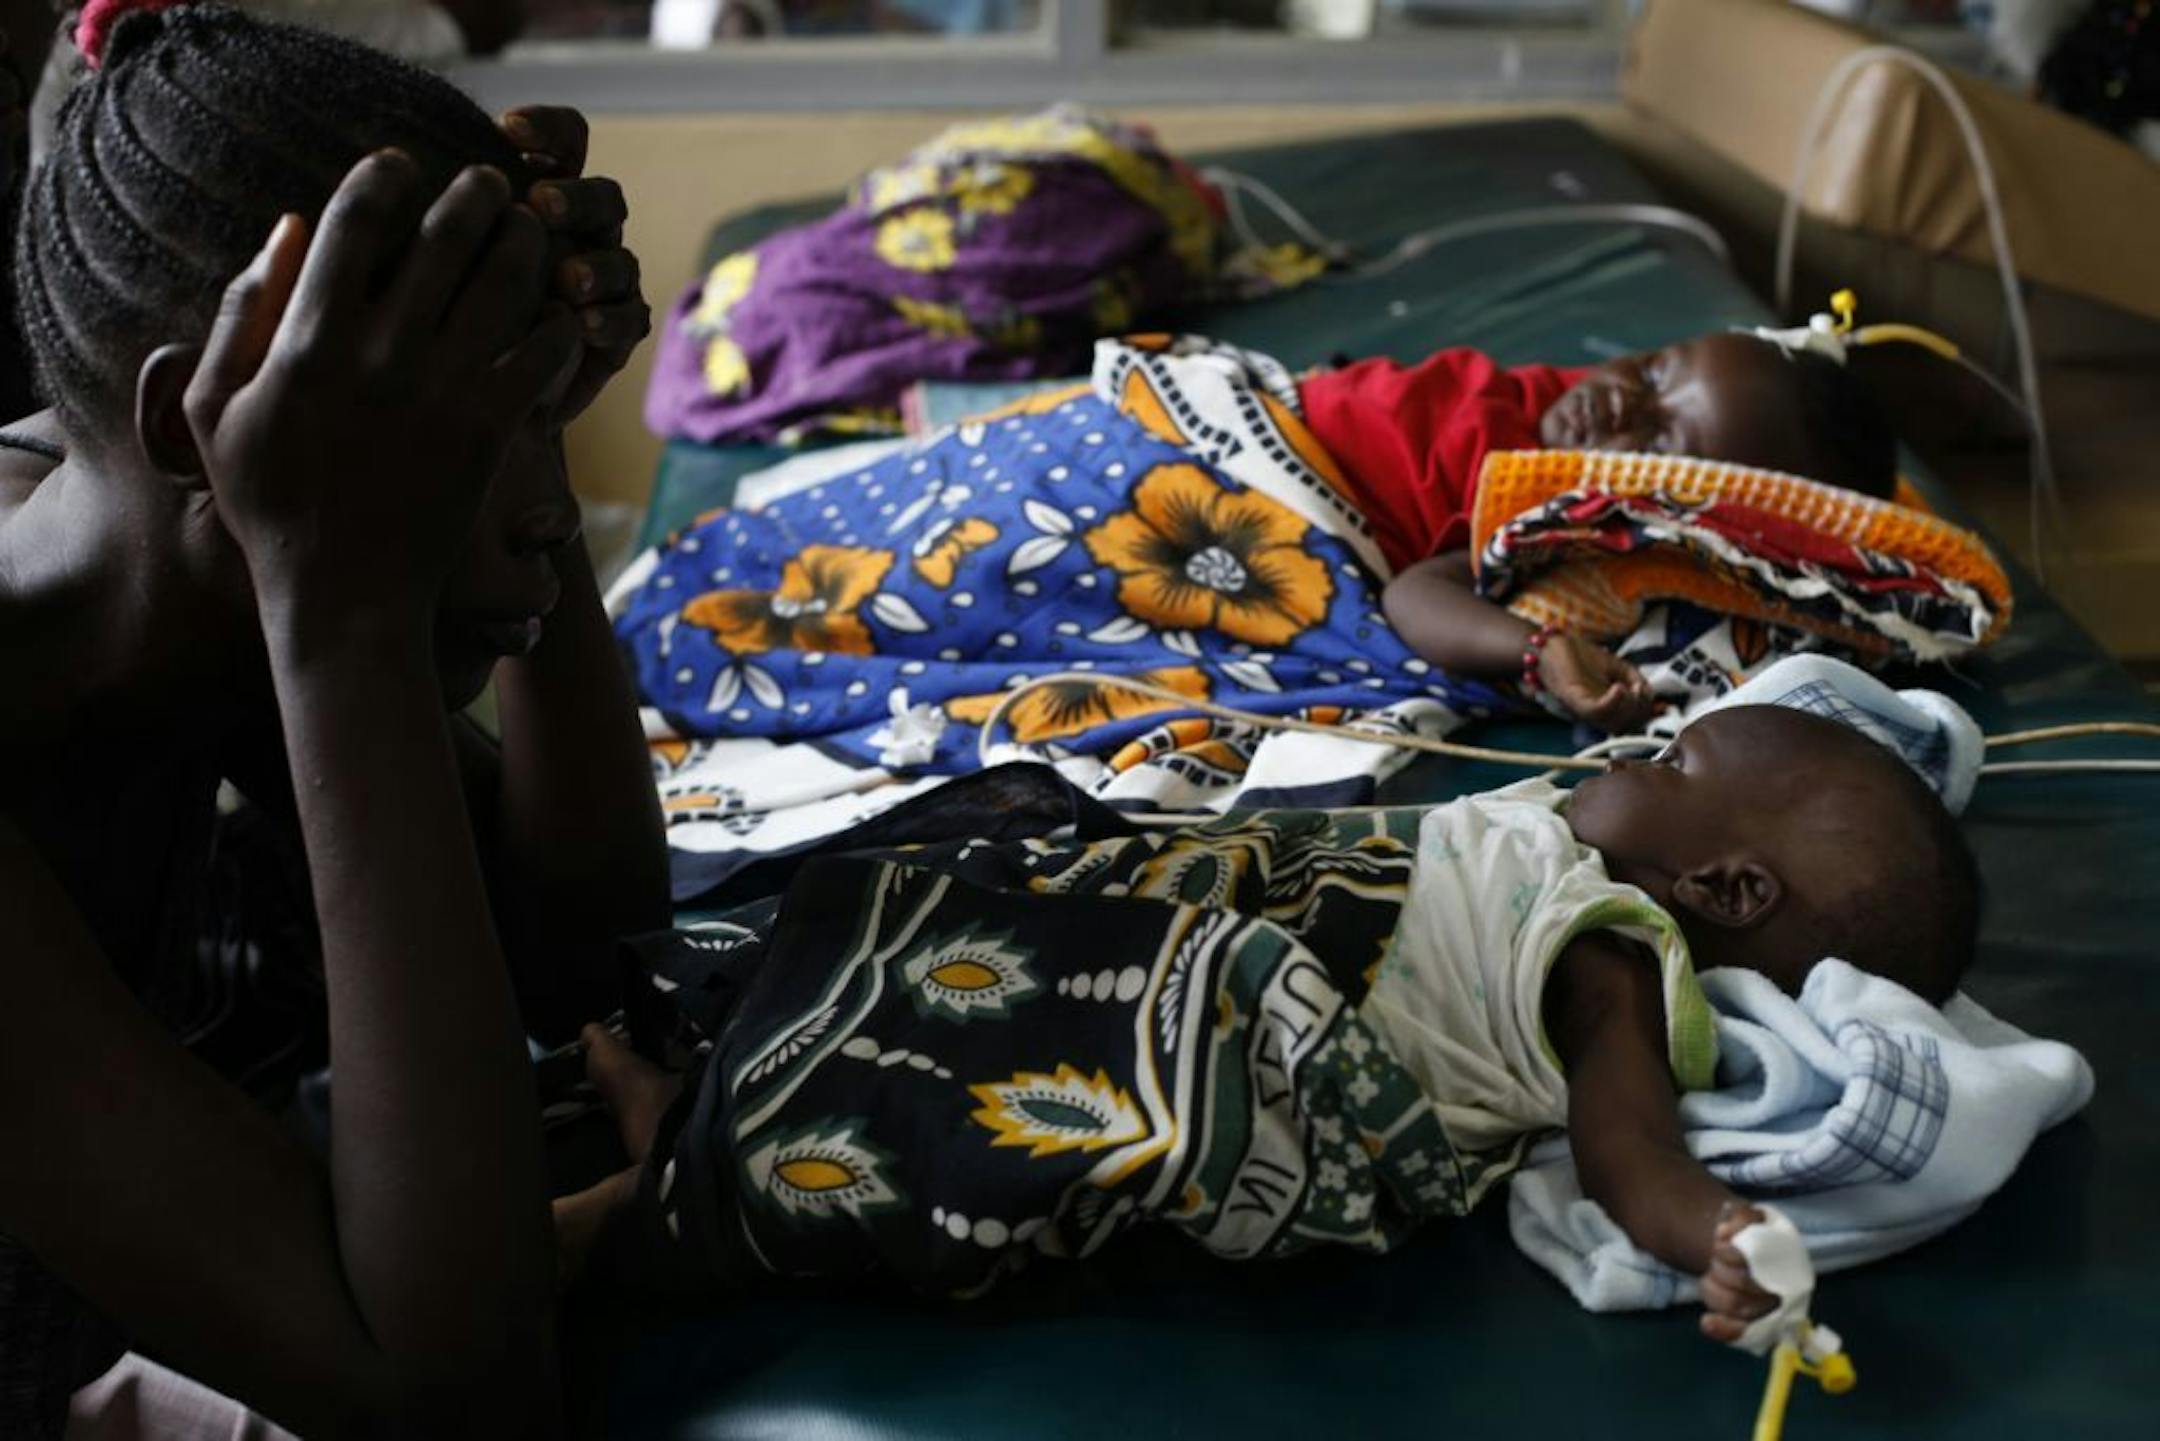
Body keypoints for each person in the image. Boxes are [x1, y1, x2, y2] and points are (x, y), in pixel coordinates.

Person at [0, 4, 662, 1435]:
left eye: (556, 416)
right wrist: (346, 615)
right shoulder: (265, 575)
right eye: (477, 440)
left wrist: (530, 393)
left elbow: (579, 933)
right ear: (201, 437)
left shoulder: (159, 570)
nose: (552, 513)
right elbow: (455, 1395)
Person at [556, 701, 1981, 1348]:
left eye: (1670, 759)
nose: (1626, 751)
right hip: (1256, 910)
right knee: (991, 889)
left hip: (1259, 1029)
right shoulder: (1573, 859)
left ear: (1722, 886)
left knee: (1045, 1039)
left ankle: (669, 1187)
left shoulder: (1605, 947)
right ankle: (730, 1071)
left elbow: (1630, 1156)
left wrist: (1717, 1236)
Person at [1301, 332, 1903, 733]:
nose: (1620, 404)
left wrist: (1539, 648)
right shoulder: (1572, 396)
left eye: (1660, 441)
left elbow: (1414, 594)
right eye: (1652, 371)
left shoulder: (1565, 514)